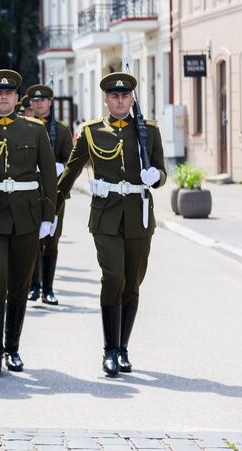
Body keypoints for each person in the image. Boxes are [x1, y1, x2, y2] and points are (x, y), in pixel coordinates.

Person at [57, 72, 166, 377]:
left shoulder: (150, 131)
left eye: (125, 96)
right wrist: (49, 208)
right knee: (113, 276)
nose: (120, 100)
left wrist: (155, 177)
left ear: (133, 98)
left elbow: (162, 172)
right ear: (105, 99)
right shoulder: (91, 132)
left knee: (132, 283)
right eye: (114, 96)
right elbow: (71, 171)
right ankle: (109, 350)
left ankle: (123, 349)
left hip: (139, 215)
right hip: (105, 217)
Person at [0, 70, 57, 377]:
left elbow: (50, 177)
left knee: (19, 285)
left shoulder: (34, 130)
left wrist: (48, 217)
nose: (3, 96)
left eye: (9, 93)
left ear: (16, 97)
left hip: (27, 216)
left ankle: (12, 348)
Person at [25, 85, 74, 305]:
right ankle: (34, 286)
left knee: (51, 242)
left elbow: (70, 162)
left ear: (50, 102)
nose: (39, 104)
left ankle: (48, 289)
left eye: (43, 100)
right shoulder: (25, 127)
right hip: (31, 193)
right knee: (32, 242)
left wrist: (60, 167)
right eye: (35, 101)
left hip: (54, 194)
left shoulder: (61, 131)